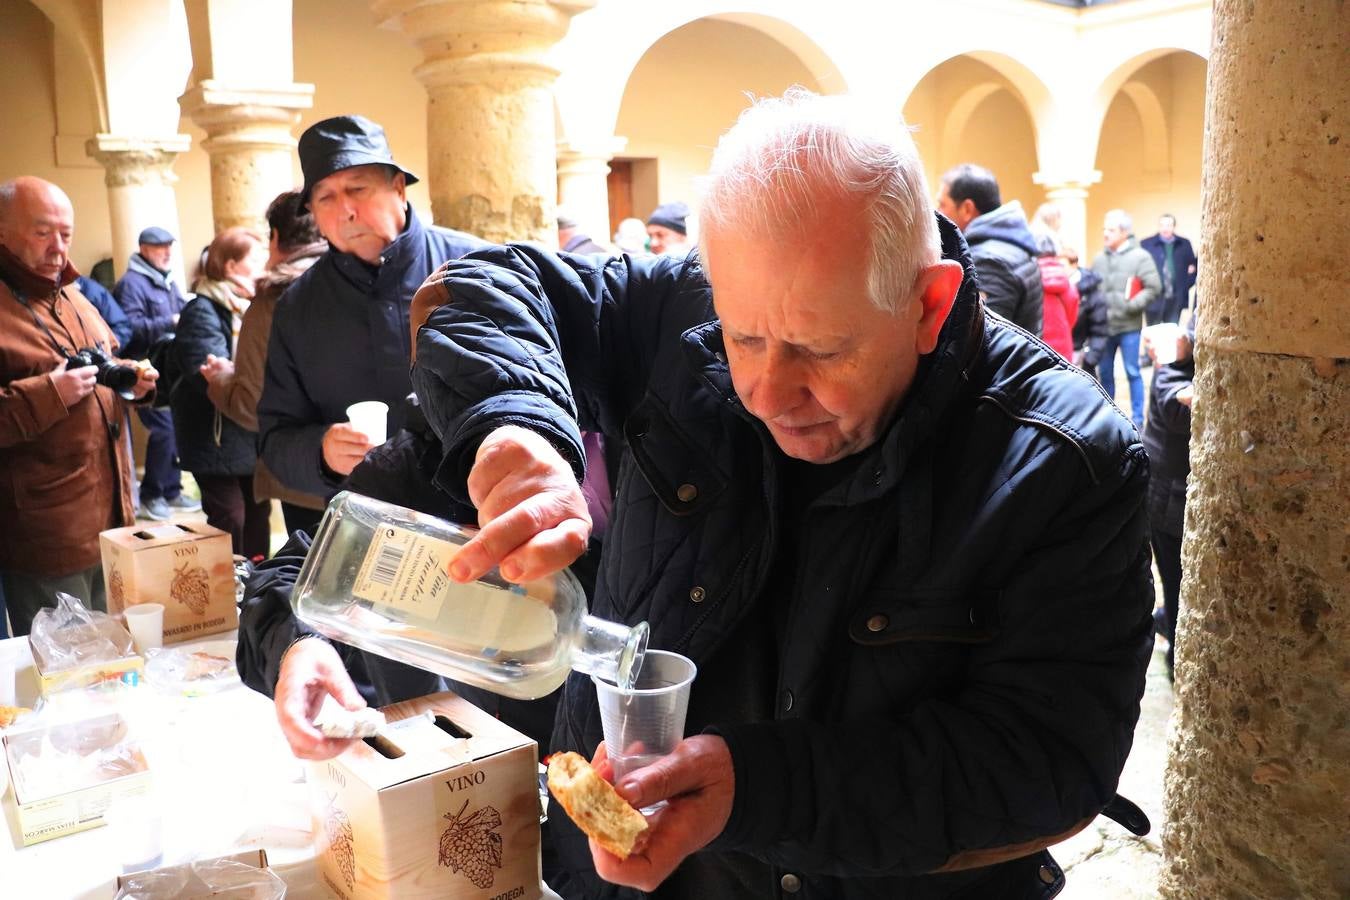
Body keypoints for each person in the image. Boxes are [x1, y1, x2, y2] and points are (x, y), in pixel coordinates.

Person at [272, 90, 1155, 898]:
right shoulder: (675, 307)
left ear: (929, 305)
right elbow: (484, 287)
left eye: (822, 351)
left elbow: (1046, 763)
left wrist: (763, 787)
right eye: (743, 337)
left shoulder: (1065, 458)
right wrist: (517, 428)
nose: (768, 391)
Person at [256, 115, 487, 528]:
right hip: (365, 529)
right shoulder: (298, 307)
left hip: (479, 515)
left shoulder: (475, 268)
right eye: (325, 198)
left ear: (398, 188)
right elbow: (275, 436)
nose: (345, 210)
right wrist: (321, 452)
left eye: (357, 189)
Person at [0, 177, 159, 635]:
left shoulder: (71, 294)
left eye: (66, 235)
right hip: (46, 536)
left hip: (111, 520)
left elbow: (103, 362)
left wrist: (133, 379)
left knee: (110, 658)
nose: (58, 248)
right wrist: (51, 392)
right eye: (42, 232)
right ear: (3, 232)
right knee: (66, 672)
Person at [200, 190, 328, 537]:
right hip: (376, 467)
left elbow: (253, 404)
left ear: (275, 237)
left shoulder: (274, 299)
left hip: (305, 471)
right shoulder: (359, 277)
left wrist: (221, 381)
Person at [173, 227, 271, 559]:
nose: (265, 265)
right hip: (214, 434)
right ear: (230, 266)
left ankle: (258, 587)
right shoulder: (203, 308)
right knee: (231, 516)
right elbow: (206, 371)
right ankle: (227, 589)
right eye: (256, 260)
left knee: (258, 514)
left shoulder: (249, 305)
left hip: (246, 430)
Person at [114, 224, 200, 521]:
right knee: (164, 429)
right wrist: (171, 320)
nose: (167, 253)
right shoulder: (132, 283)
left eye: (169, 247)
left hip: (168, 370)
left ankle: (172, 490)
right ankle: (152, 494)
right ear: (144, 250)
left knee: (175, 426)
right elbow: (129, 327)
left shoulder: (168, 280)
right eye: (160, 247)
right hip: (142, 368)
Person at [1142, 317, 1196, 681]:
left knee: (1177, 578)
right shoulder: (1167, 377)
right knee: (1175, 579)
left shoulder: (1182, 366)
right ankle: (1177, 657)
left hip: (1170, 499)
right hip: (1165, 503)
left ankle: (1165, 621)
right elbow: (1179, 405)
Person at [936, 163, 1044, 335]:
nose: (938, 213)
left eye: (942, 205)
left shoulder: (988, 261)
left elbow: (980, 337)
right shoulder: (1013, 244)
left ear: (967, 209)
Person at [1092, 210, 1160, 430]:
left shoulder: (1140, 257)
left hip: (1128, 326)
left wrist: (1131, 306)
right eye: (1104, 229)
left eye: (1110, 230)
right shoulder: (1099, 259)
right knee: (1105, 374)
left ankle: (1138, 419)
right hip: (1104, 327)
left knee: (1132, 372)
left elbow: (1154, 287)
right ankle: (1108, 418)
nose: (1105, 233)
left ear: (1124, 232)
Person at [1139, 214, 1197, 326]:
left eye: (1169, 225)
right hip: (1153, 299)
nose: (1165, 228)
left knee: (1171, 335)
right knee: (1153, 335)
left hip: (1176, 298)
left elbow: (1193, 268)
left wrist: (1184, 286)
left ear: (1174, 227)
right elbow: (1140, 270)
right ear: (1159, 226)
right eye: (1162, 225)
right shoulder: (1146, 244)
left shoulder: (1184, 244)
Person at [1066, 248, 1108, 380]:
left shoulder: (1090, 291)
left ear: (1073, 265)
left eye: (1062, 265)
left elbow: (1100, 330)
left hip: (1081, 356)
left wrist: (1089, 360)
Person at [1036, 246, 1079, 359]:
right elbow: (1072, 319)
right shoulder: (1069, 286)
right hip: (1062, 347)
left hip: (1035, 344)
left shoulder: (1030, 280)